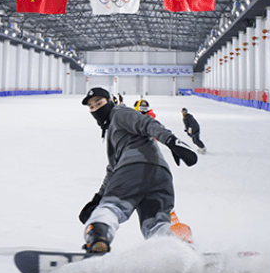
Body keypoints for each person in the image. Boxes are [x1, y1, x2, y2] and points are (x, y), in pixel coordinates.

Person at [79, 87, 198, 253]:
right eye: (91, 107)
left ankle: (98, 237)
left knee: (112, 207)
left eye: (99, 103)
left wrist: (172, 141)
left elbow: (146, 123)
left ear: (110, 101)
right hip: (159, 174)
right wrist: (98, 197)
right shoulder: (114, 131)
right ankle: (178, 242)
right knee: (155, 225)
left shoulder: (119, 113)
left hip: (134, 170)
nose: (96, 109)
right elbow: (113, 169)